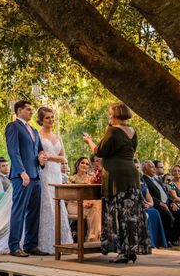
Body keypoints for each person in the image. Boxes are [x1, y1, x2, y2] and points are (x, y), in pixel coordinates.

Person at [83, 102, 151, 263]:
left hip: (116, 177)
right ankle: (130, 250)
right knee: (131, 214)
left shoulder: (113, 131)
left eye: (110, 114)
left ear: (115, 115)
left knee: (119, 213)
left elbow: (99, 151)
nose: (109, 116)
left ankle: (123, 252)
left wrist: (89, 141)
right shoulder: (132, 131)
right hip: (131, 174)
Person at [6, 100, 47, 257]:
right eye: (28, 109)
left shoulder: (35, 131)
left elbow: (40, 151)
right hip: (21, 176)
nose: (31, 112)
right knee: (19, 210)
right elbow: (13, 151)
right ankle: (14, 246)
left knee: (34, 212)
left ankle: (31, 244)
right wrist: (22, 172)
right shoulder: (13, 127)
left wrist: (41, 159)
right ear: (19, 110)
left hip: (36, 175)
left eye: (31, 109)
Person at [35, 106, 73, 254]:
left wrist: (50, 157)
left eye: (52, 117)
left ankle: (62, 242)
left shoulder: (58, 137)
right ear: (41, 120)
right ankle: (45, 243)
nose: (51, 120)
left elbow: (64, 157)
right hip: (44, 174)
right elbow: (38, 155)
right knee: (47, 205)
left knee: (58, 204)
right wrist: (44, 158)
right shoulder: (37, 136)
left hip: (56, 174)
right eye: (47, 118)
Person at [141, 160, 180, 245]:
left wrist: (171, 202)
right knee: (169, 216)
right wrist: (161, 203)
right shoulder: (144, 179)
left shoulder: (156, 179)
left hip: (167, 203)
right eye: (152, 167)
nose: (154, 169)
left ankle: (172, 238)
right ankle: (168, 239)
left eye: (155, 167)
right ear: (144, 169)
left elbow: (165, 194)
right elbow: (149, 195)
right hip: (158, 204)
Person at [67, 156, 101, 241]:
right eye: (82, 162)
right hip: (74, 205)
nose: (85, 165)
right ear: (78, 164)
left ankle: (92, 237)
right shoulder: (71, 179)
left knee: (96, 206)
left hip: (89, 205)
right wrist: (82, 203)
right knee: (95, 209)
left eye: (87, 164)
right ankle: (95, 236)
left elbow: (93, 194)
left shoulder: (91, 179)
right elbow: (68, 196)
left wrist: (89, 202)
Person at [136, 160, 168, 249]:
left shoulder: (142, 182)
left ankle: (159, 241)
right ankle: (150, 242)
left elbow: (149, 197)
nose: (137, 169)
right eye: (136, 168)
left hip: (148, 205)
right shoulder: (133, 181)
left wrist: (150, 204)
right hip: (138, 206)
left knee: (154, 212)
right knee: (151, 213)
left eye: (138, 168)